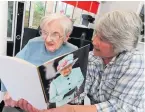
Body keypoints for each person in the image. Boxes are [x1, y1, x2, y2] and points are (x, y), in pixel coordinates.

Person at [4, 10, 144, 112]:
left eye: (102, 39)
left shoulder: (135, 61)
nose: (93, 41)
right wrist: (45, 105)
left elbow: (121, 107)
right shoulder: (92, 58)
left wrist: (70, 110)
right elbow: (77, 90)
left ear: (119, 44)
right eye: (96, 34)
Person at [2, 13, 78, 112]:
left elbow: (72, 87)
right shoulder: (33, 43)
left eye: (55, 34)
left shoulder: (72, 51)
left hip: (53, 104)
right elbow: (14, 66)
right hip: (25, 97)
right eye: (45, 32)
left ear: (66, 37)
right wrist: (10, 89)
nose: (47, 39)